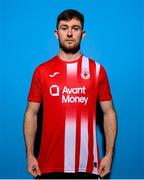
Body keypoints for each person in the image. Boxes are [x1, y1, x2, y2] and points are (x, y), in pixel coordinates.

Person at [24, 9, 117, 179]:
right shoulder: (42, 71)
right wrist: (30, 155)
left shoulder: (97, 70)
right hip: (48, 166)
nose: (69, 33)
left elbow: (109, 113)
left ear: (83, 34)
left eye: (75, 28)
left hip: (87, 166)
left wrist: (109, 154)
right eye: (64, 27)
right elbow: (31, 113)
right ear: (56, 33)